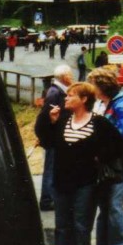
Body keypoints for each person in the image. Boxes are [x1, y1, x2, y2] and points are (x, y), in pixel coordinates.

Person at [37, 81, 121, 245]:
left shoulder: (98, 122)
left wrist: (99, 157)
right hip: (61, 182)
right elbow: (46, 141)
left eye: (71, 95)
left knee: (81, 226)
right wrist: (50, 121)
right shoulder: (62, 120)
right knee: (62, 226)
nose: (66, 98)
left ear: (84, 99)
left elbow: (117, 145)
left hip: (86, 183)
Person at [88, 67, 123, 245]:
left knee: (114, 204)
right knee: (104, 205)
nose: (91, 89)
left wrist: (102, 136)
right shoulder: (104, 103)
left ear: (102, 86)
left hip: (120, 161)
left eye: (93, 84)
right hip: (106, 160)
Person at [35, 64, 75, 211]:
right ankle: (47, 200)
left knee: (54, 168)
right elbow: (43, 118)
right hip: (54, 138)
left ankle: (51, 198)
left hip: (56, 137)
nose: (72, 77)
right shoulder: (55, 93)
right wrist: (45, 137)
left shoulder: (58, 91)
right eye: (70, 74)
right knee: (51, 169)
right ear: (64, 77)